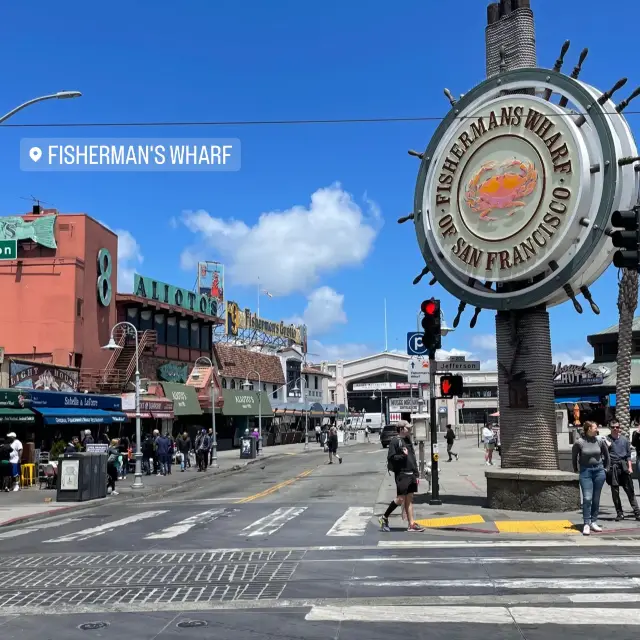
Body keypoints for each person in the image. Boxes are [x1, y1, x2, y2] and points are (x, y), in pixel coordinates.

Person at [379, 421, 425, 532]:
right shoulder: (395, 441)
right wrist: (402, 456)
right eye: (407, 428)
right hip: (402, 474)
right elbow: (391, 458)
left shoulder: (408, 440)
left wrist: (416, 473)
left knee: (409, 499)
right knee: (400, 499)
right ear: (400, 429)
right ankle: (384, 517)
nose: (409, 430)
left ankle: (412, 524)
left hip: (411, 474)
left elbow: (412, 457)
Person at [572, 420, 610, 535]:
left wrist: (606, 469)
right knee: (587, 498)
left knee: (595, 498)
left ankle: (594, 521)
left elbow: (607, 455)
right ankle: (586, 523)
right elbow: (574, 457)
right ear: (589, 429)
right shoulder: (580, 442)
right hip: (586, 472)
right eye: (595, 428)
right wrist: (576, 469)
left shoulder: (599, 441)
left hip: (599, 471)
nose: (597, 429)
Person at [605, 422, 640, 522]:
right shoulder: (606, 439)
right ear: (609, 427)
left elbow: (628, 455)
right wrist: (607, 446)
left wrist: (630, 467)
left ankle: (637, 513)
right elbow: (603, 453)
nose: (615, 429)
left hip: (623, 466)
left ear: (619, 428)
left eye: (617, 427)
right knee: (615, 492)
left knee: (630, 491)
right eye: (613, 427)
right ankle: (619, 513)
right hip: (613, 468)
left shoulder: (624, 440)